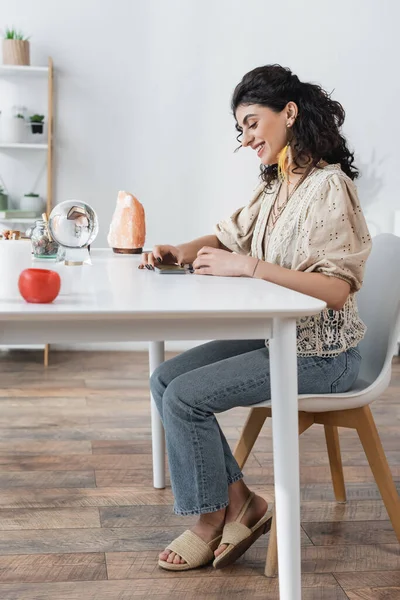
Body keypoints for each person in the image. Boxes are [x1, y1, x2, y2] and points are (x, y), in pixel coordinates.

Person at [139, 64, 372, 571]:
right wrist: (180, 249)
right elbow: (228, 236)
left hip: (325, 355)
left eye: (251, 123)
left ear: (289, 113)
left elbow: (336, 289)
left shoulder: (330, 187)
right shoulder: (277, 186)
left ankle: (209, 518)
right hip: (281, 339)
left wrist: (247, 267)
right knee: (165, 379)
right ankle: (243, 501)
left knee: (184, 398)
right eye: (240, 129)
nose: (245, 138)